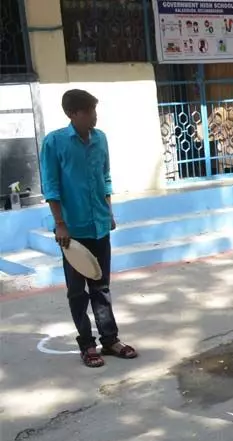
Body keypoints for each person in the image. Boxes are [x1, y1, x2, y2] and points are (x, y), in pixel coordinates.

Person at [40, 89, 137, 368]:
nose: (95, 116)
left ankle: (110, 339)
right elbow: (52, 186)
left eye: (95, 110)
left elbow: (105, 178)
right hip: (72, 232)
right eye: (89, 111)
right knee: (77, 291)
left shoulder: (100, 139)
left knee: (101, 286)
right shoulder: (55, 143)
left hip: (99, 226)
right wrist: (60, 224)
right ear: (73, 114)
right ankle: (87, 344)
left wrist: (108, 212)